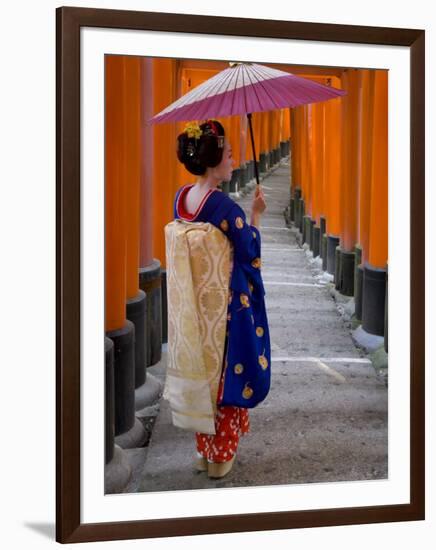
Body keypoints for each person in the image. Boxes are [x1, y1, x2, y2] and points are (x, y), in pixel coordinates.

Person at [171, 119, 271, 479]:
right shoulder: (225, 209)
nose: (233, 160)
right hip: (226, 309)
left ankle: (204, 450)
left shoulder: (181, 199)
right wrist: (256, 215)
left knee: (202, 374)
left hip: (195, 307)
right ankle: (221, 455)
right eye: (229, 154)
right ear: (215, 161)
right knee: (227, 377)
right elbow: (249, 253)